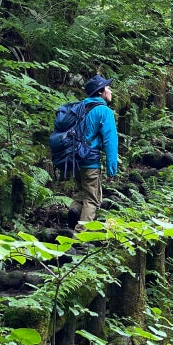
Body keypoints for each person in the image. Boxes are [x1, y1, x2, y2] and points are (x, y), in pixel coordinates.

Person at [67, 74, 119, 232]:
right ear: (100, 92)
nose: (111, 91)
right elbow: (110, 141)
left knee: (82, 192)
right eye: (108, 88)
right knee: (93, 200)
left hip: (73, 159)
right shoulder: (104, 111)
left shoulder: (79, 107)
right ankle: (80, 236)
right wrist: (112, 168)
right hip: (90, 161)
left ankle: (74, 210)